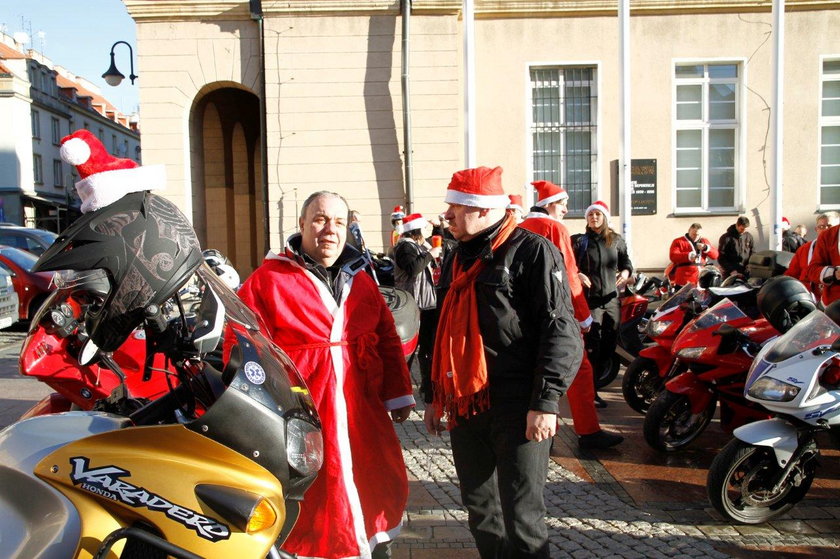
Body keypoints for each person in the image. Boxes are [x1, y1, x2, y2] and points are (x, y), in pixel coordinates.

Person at [238, 191, 414, 559]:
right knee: (317, 497)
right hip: (303, 415)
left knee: (372, 483)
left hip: (361, 411)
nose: (328, 230)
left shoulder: (361, 279)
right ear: (301, 224)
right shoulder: (267, 280)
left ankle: (368, 546)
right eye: (319, 220)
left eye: (337, 222)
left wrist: (398, 393)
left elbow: (385, 336)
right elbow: (240, 345)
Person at [423, 166, 582, 558]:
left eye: (455, 207)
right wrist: (432, 395)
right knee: (479, 508)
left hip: (518, 404)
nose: (447, 216)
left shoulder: (532, 250)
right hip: (466, 402)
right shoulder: (457, 256)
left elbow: (561, 330)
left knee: (523, 516)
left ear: (481, 210)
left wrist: (545, 403)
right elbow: (439, 330)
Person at [519, 180, 623, 449]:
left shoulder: (521, 227)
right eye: (563, 203)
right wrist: (583, 316)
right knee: (579, 368)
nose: (566, 209)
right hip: (557, 312)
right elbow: (567, 273)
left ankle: (540, 437)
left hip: (528, 314)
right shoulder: (554, 227)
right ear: (550, 204)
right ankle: (588, 432)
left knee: (534, 372)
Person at [572, 200, 633, 409]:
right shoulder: (580, 241)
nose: (594, 218)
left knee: (609, 344)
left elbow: (626, 263)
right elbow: (566, 263)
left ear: (605, 218)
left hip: (611, 300)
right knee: (593, 345)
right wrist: (577, 274)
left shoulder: (615, 240)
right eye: (591, 215)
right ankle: (591, 392)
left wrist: (625, 273)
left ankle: (596, 381)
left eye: (598, 215)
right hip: (590, 301)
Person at [393, 212, 441, 385]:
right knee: (412, 347)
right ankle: (403, 383)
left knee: (426, 346)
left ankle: (427, 383)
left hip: (425, 302)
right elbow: (413, 268)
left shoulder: (416, 245)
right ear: (416, 231)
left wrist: (437, 227)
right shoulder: (405, 247)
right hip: (414, 303)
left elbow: (438, 240)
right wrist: (430, 254)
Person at [787, 211, 840, 302]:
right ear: (816, 229)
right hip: (807, 299)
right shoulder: (804, 249)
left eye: (829, 226)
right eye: (821, 227)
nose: (825, 229)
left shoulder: (835, 242)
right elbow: (791, 275)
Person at [668, 223, 720, 287]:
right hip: (684, 276)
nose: (695, 236)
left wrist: (705, 248)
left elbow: (715, 255)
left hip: (701, 277)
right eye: (693, 234)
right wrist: (688, 256)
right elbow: (673, 256)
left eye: (697, 235)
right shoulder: (678, 241)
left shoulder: (704, 241)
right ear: (689, 230)